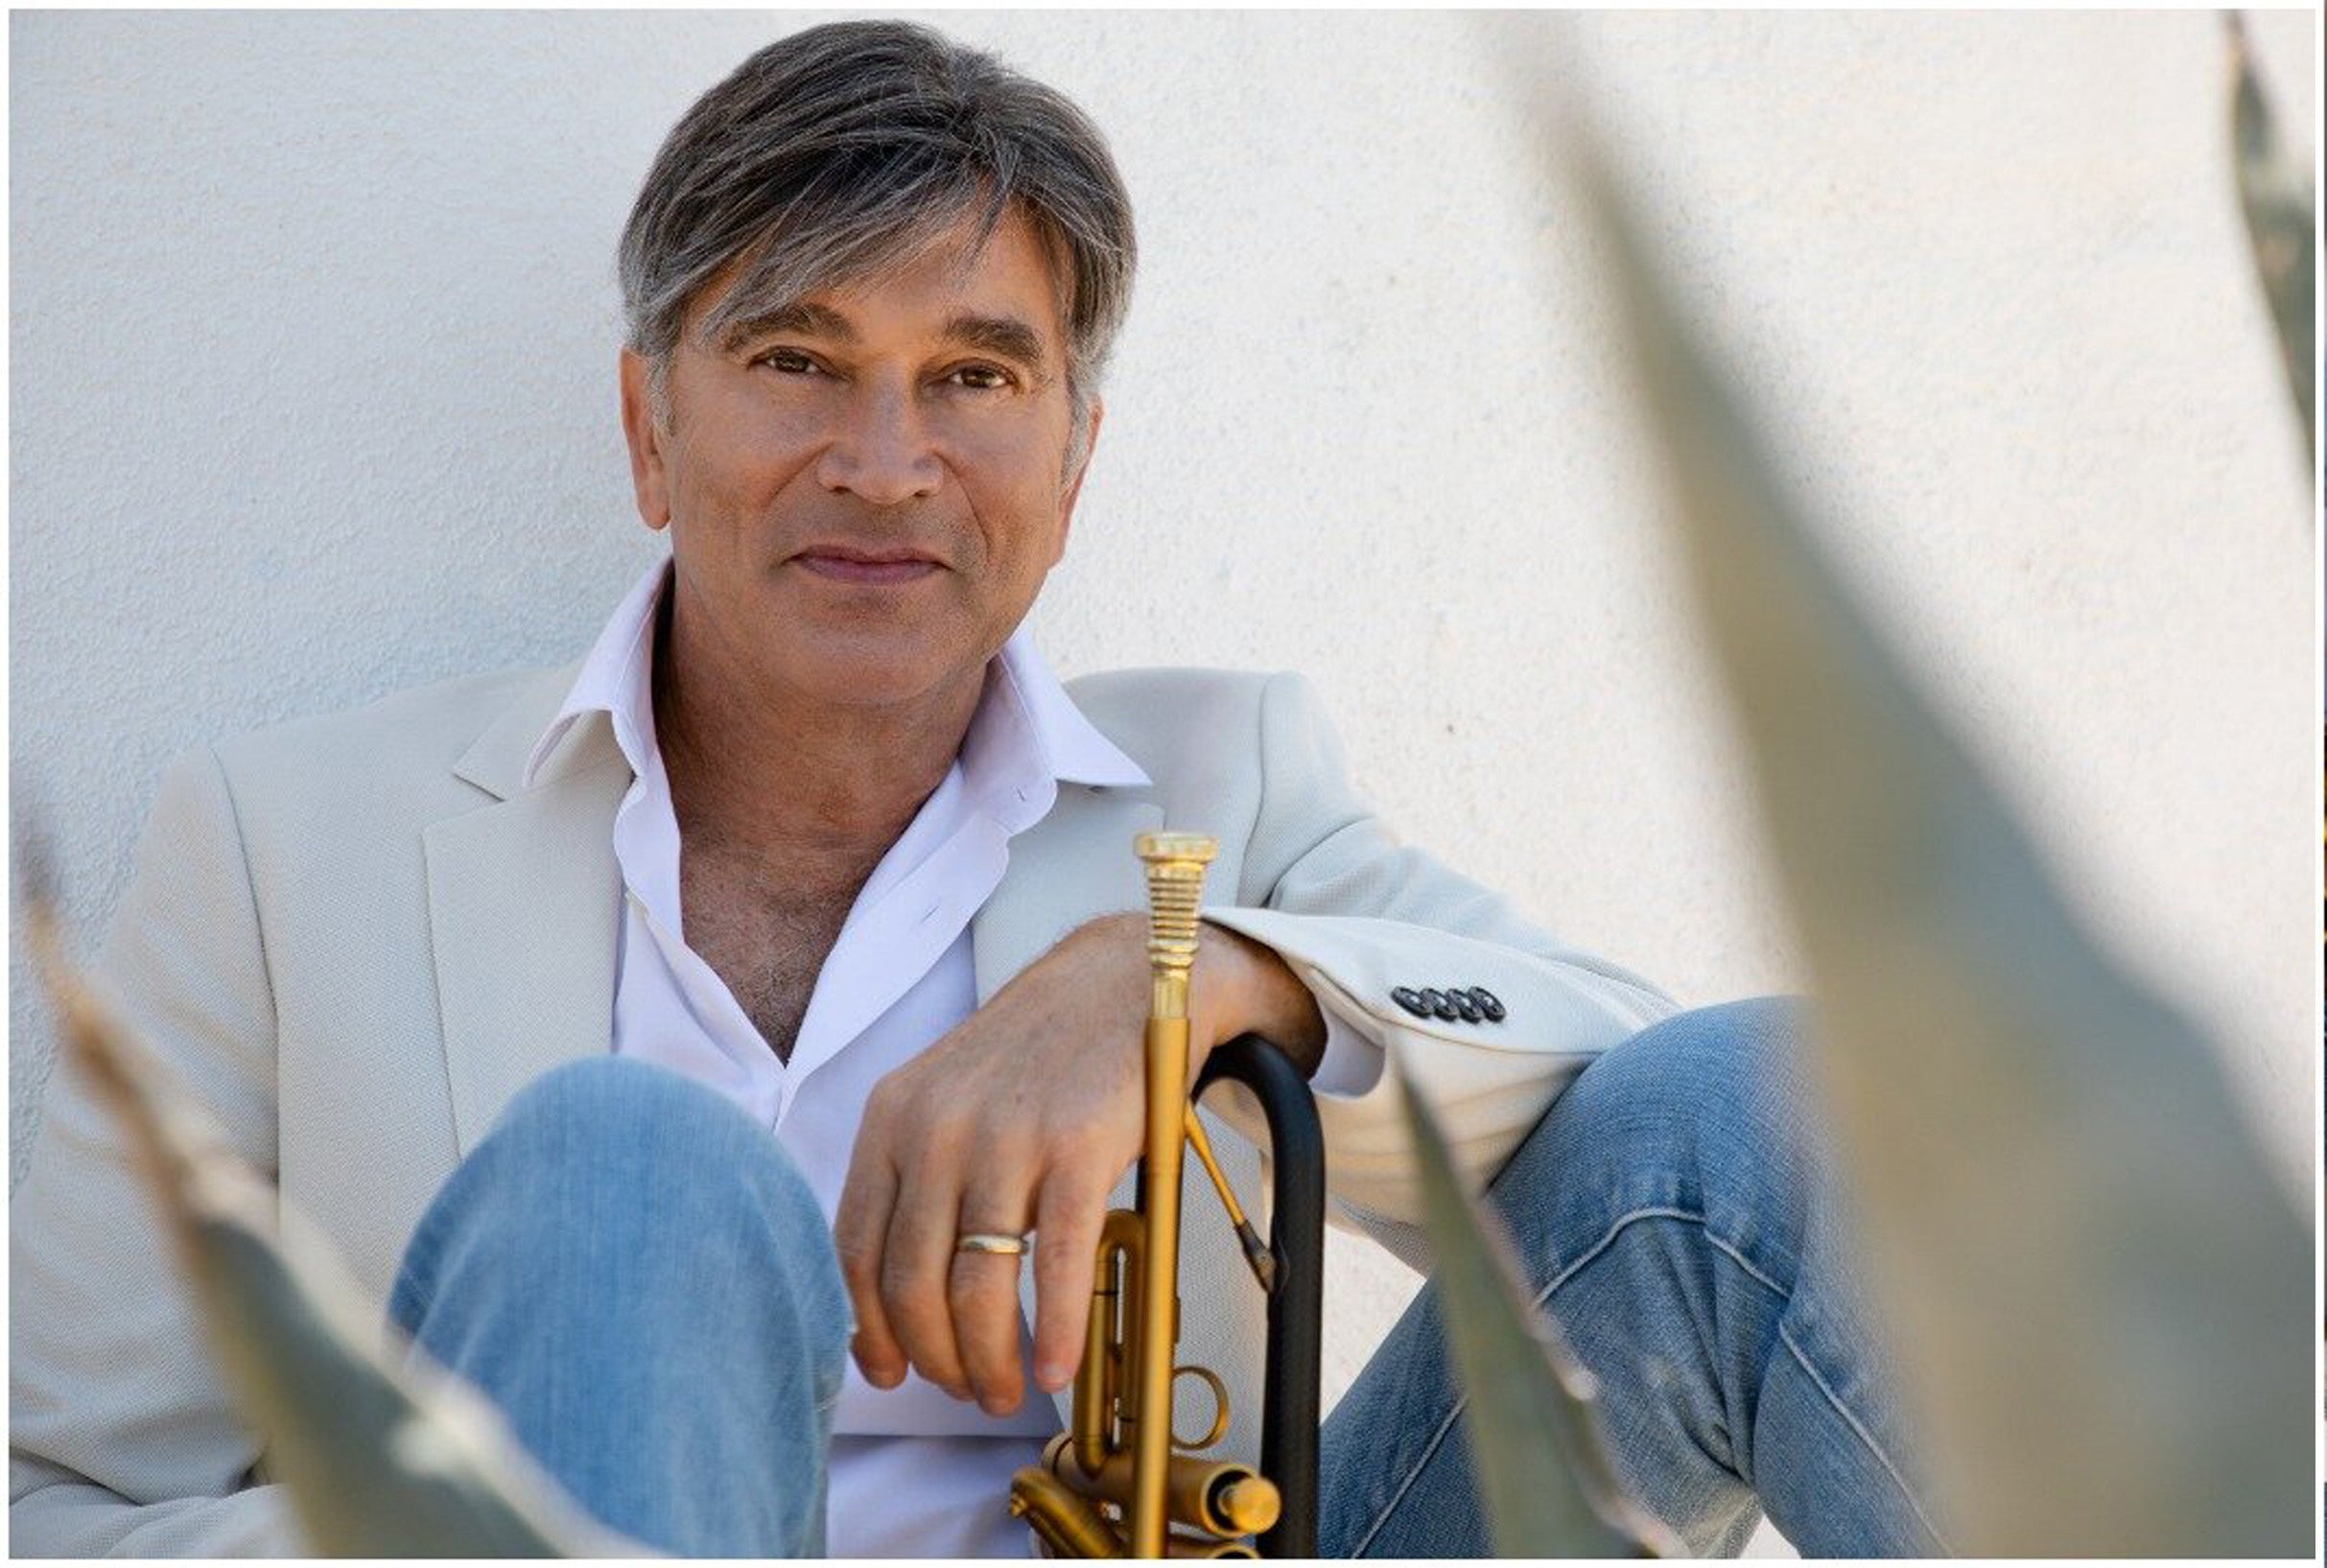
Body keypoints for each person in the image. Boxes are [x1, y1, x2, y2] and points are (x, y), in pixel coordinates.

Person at [10, 20, 1946, 1558]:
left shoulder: (1225, 787)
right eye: (797, 359)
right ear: (647, 426)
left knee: (1755, 1110)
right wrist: (485, 1504)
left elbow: (1633, 1095)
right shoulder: (281, 846)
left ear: (1072, 457)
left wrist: (1197, 978)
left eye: (975, 377)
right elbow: (58, 1509)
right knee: (629, 1174)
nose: (884, 460)